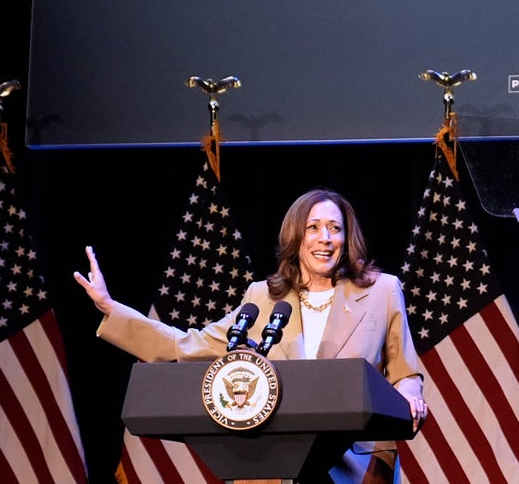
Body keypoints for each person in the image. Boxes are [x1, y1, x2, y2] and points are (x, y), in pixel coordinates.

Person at [74, 187, 427, 484]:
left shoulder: (381, 290)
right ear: (296, 236)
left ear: (347, 237)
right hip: (274, 458)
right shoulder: (263, 297)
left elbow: (404, 371)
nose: (325, 238)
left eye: (335, 228)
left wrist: (410, 394)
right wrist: (111, 309)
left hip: (356, 461)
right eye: (314, 227)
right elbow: (189, 345)